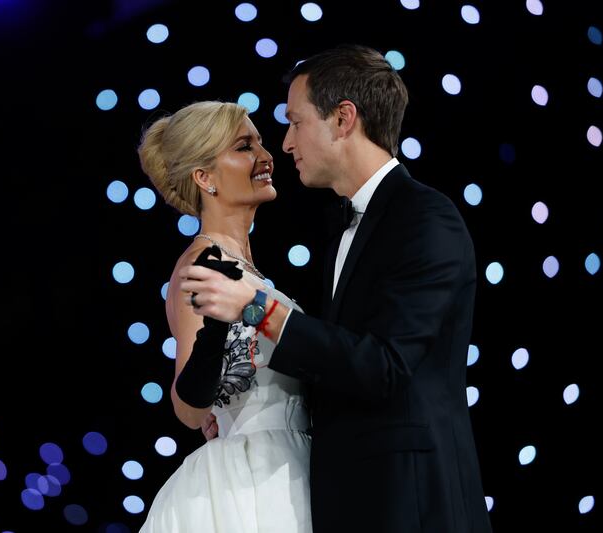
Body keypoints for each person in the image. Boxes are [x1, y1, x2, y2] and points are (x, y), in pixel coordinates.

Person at [180, 45, 493, 532]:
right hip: (327, 494)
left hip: (410, 502)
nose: (284, 145)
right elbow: (335, 362)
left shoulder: (424, 218)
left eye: (295, 122)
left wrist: (260, 312)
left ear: (343, 118)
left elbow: (384, 366)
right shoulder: (341, 232)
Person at [137, 101, 313, 532]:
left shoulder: (245, 268)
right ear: (205, 178)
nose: (265, 156)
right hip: (252, 482)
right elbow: (189, 408)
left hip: (289, 462)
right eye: (244, 146)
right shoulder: (203, 264)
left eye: (260, 142)